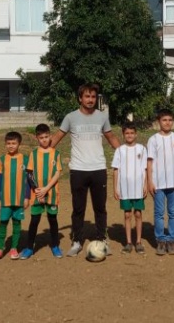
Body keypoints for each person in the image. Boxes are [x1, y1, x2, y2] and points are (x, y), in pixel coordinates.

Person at [51, 83, 120, 257]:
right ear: (80, 98)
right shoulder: (70, 117)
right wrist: (43, 154)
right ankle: (77, 241)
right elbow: (58, 137)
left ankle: (102, 238)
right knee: (78, 208)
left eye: (93, 97)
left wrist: (126, 154)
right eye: (87, 96)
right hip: (78, 169)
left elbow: (111, 137)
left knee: (100, 208)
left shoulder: (102, 117)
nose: (90, 100)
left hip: (98, 169)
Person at [20, 124, 64, 260]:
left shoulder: (55, 153)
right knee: (34, 220)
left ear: (50, 136)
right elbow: (29, 174)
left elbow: (57, 173)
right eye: (41, 137)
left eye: (46, 137)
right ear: (37, 138)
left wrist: (46, 189)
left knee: (53, 219)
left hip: (51, 193)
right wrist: (37, 190)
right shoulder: (33, 154)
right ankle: (29, 247)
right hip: (37, 194)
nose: (44, 140)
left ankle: (55, 245)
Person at [147, 108, 174, 256]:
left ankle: (171, 240)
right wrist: (149, 182)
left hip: (173, 183)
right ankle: (160, 240)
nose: (167, 123)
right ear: (159, 122)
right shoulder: (153, 139)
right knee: (158, 213)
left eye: (170, 120)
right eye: (164, 120)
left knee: (173, 213)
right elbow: (149, 162)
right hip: (158, 183)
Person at [0, 131, 30, 261]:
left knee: (17, 223)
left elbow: (28, 180)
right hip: (5, 199)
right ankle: (0, 248)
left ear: (19, 144)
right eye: (8, 143)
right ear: (5, 144)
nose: (11, 146)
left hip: (19, 199)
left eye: (14, 143)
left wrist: (27, 197)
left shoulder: (25, 160)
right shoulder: (2, 160)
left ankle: (14, 248)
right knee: (3, 223)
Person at [111, 122, 148, 254]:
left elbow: (145, 169)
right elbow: (115, 170)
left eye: (132, 133)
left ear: (136, 134)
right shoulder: (119, 150)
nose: (130, 135)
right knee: (127, 214)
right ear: (123, 134)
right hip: (125, 189)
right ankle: (128, 242)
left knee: (138, 213)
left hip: (138, 188)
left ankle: (138, 241)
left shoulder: (142, 149)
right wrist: (115, 188)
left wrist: (145, 184)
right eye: (127, 133)